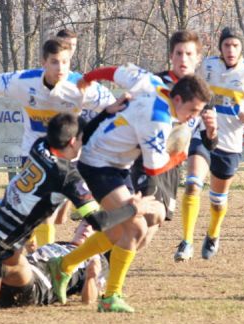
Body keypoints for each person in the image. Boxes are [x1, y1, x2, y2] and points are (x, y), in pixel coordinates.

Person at [0, 113, 148, 312]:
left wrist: (107, 112)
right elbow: (97, 220)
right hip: (1, 237)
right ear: (73, 142)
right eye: (82, 141)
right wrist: (131, 208)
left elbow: (73, 133)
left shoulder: (40, 145)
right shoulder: (67, 177)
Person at [48, 74, 212, 313]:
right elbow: (154, 167)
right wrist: (178, 156)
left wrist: (89, 78)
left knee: (122, 230)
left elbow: (118, 70)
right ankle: (110, 295)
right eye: (193, 110)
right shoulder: (159, 119)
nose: (194, 117)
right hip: (98, 165)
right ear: (177, 99)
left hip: (116, 167)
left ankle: (64, 264)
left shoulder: (153, 83)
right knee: (135, 228)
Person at [0, 39, 115, 246]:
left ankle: (30, 243)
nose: (60, 68)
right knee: (40, 207)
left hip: (66, 154)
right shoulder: (24, 81)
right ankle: (40, 251)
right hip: (33, 151)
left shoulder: (82, 86)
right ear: (43, 62)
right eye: (55, 62)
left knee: (50, 212)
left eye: (65, 62)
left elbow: (114, 107)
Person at [78, 31, 217, 249]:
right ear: (171, 55)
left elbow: (208, 145)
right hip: (137, 163)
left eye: (189, 54)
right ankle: (88, 254)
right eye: (179, 53)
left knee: (148, 226)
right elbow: (117, 73)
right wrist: (87, 78)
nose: (183, 59)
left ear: (198, 58)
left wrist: (211, 132)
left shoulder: (202, 98)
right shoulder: (155, 84)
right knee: (133, 224)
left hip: (166, 169)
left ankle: (93, 258)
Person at [174, 27, 244, 261]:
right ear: (220, 48)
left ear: (241, 48)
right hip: (203, 133)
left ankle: (213, 234)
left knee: (217, 201)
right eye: (226, 45)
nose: (231, 50)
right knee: (192, 184)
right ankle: (186, 241)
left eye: (235, 45)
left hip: (230, 142)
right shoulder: (208, 66)